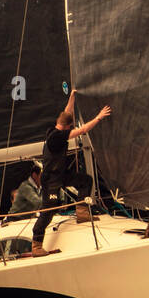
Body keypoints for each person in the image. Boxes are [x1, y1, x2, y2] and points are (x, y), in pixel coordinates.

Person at [32, 89, 112, 257]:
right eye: (71, 126)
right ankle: (37, 244)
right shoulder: (57, 137)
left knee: (85, 180)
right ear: (67, 127)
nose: (72, 127)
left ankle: (82, 212)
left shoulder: (56, 128)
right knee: (49, 209)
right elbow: (82, 131)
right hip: (51, 179)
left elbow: (67, 113)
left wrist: (72, 97)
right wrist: (98, 117)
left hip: (61, 174)